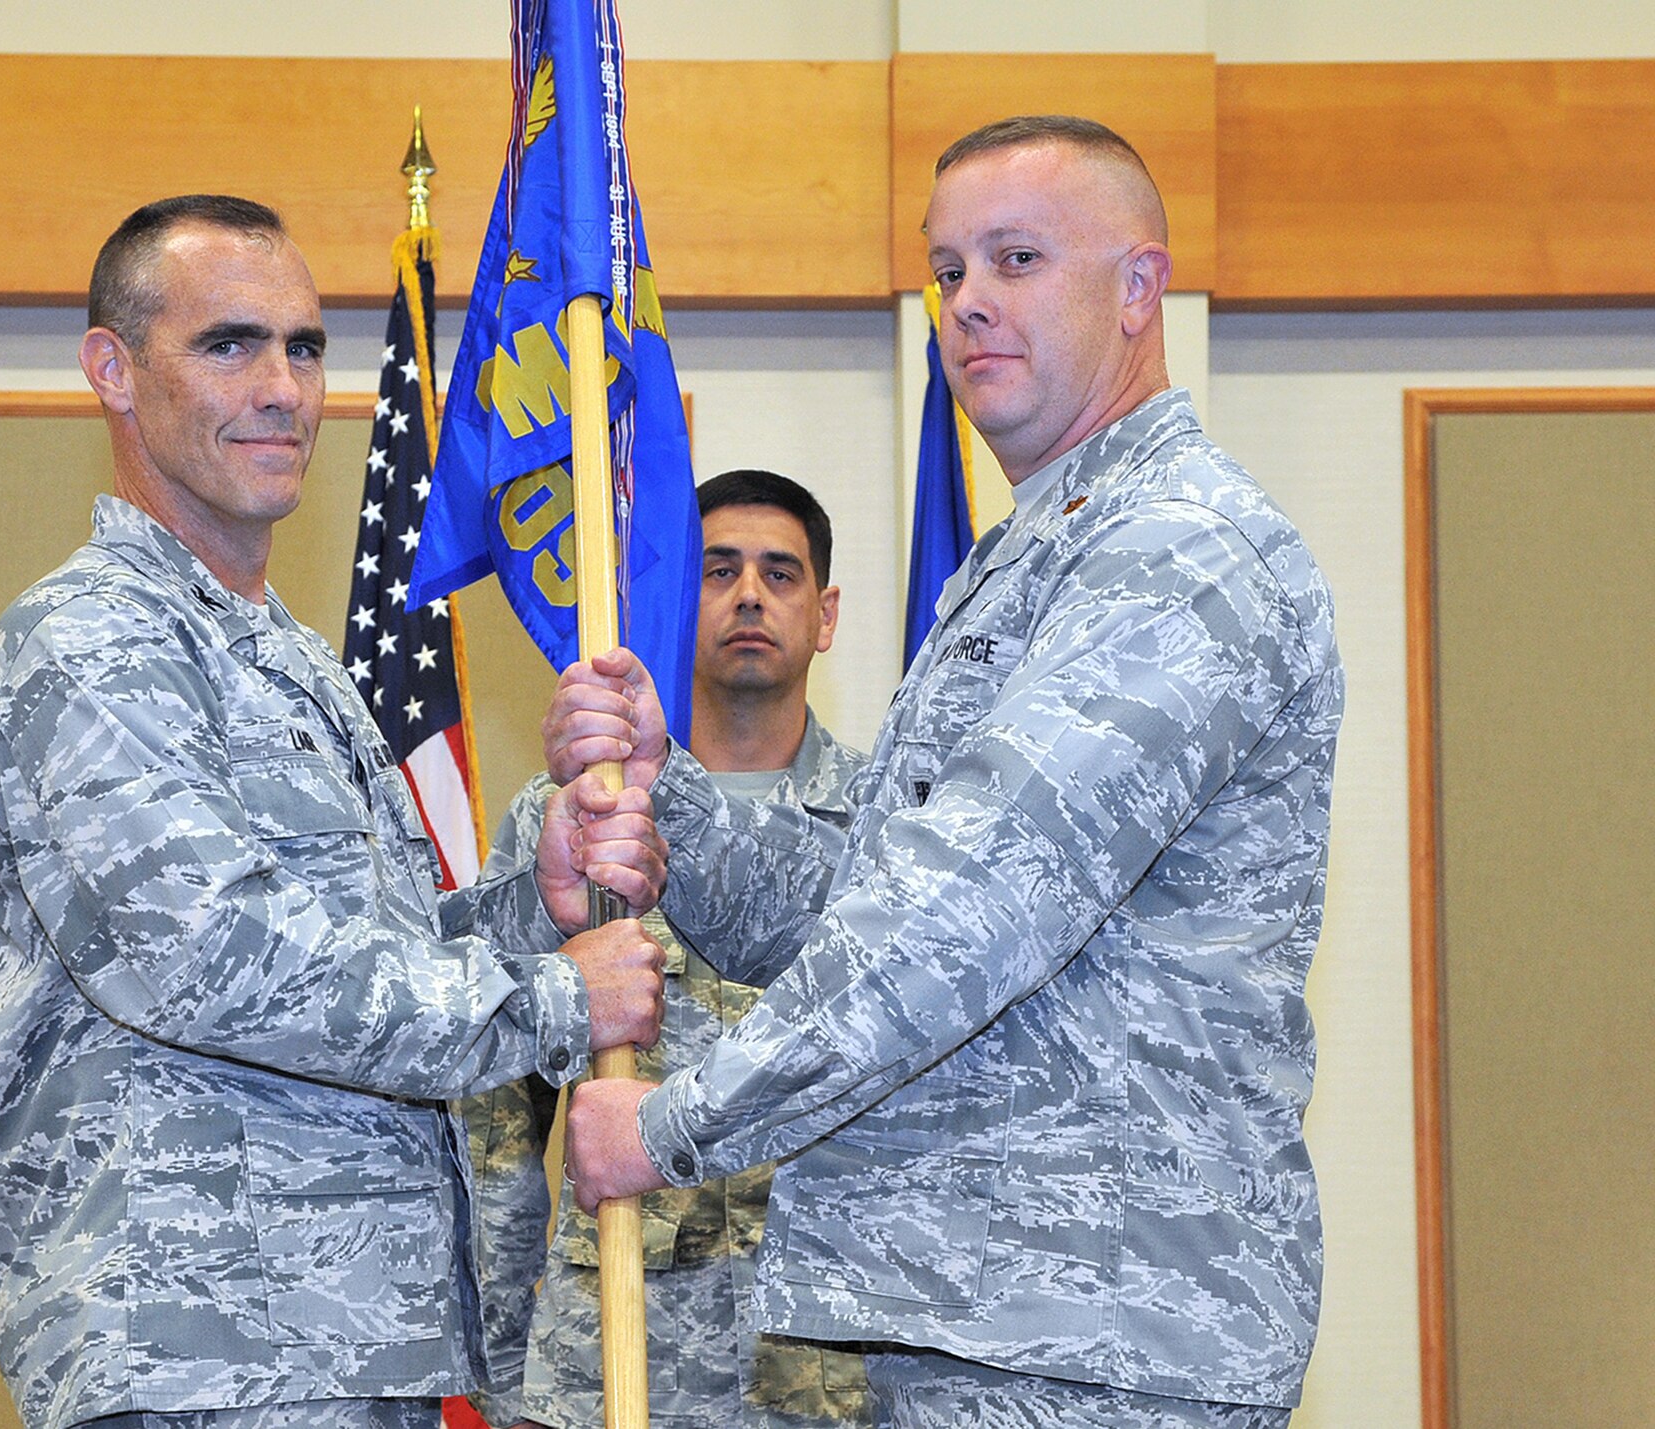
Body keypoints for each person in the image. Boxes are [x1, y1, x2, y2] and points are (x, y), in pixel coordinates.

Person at [550, 117, 1346, 1428]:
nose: (969, 300)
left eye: (1018, 257)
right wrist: (666, 790)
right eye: (948, 268)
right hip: (984, 1326)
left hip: (1100, 1336)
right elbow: (865, 892)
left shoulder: (1181, 553)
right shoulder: (1029, 558)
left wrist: (673, 1124)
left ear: (1139, 288)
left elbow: (964, 918)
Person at [0, 194, 668, 1429]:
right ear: (112, 370)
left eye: (306, 346)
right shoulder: (90, 644)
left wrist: (521, 915)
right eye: (229, 344)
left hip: (342, 1341)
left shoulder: (286, 659)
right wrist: (554, 1002)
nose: (283, 386)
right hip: (198, 1346)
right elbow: (210, 958)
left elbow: (360, 950)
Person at [466, 471, 871, 1429]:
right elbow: (497, 1111)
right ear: (671, 595)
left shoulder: (887, 831)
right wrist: (499, 1367)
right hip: (608, 1352)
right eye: (718, 569)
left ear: (826, 614)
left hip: (826, 1369)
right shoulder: (578, 812)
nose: (749, 596)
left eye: (781, 573)